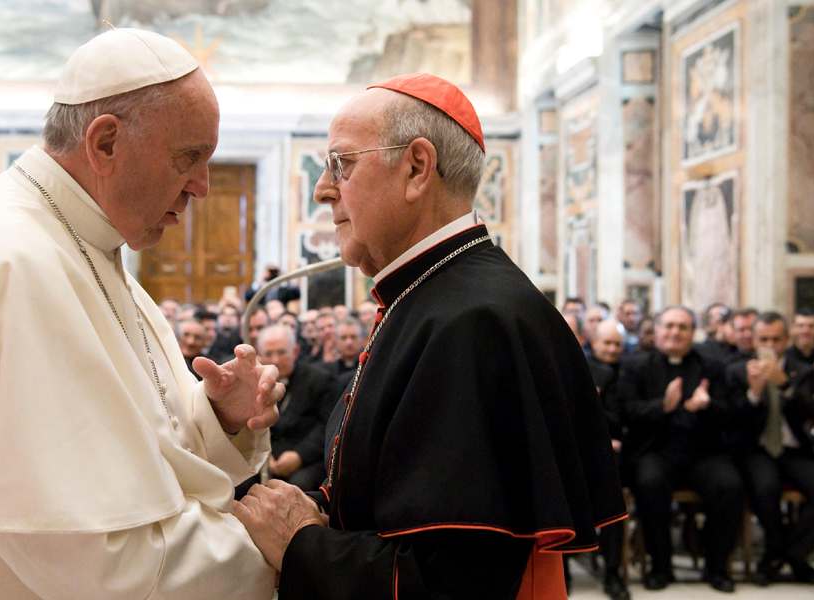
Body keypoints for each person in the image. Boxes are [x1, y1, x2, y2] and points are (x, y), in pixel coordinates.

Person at [0, 28, 283, 599]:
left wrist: (217, 420)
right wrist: (277, 548)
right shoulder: (13, 264)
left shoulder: (82, 245)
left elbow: (137, 456)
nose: (201, 186)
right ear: (104, 144)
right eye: (188, 158)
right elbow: (95, 563)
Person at [232, 73, 625, 599]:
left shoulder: (472, 322)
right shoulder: (430, 296)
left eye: (340, 164)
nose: (324, 190)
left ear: (416, 168)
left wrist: (302, 542)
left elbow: (452, 581)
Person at [618, 306, 743, 592]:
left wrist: (708, 405)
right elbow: (626, 411)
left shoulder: (711, 366)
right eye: (669, 326)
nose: (675, 332)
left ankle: (717, 568)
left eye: (683, 327)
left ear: (693, 333)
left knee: (730, 485)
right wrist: (663, 406)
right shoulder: (636, 365)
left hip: (703, 451)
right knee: (649, 483)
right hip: (655, 450)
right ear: (657, 330)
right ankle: (661, 567)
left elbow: (731, 412)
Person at [725, 312, 814, 585]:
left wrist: (785, 385)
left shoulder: (803, 370)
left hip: (795, 448)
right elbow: (732, 423)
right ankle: (774, 552)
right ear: (753, 340)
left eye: (776, 339)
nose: (770, 345)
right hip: (757, 449)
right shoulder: (736, 370)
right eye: (763, 339)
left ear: (787, 340)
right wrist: (753, 394)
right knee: (765, 489)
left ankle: (791, 553)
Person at [256, 325, 337, 492]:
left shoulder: (320, 380)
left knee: (297, 487)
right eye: (269, 354)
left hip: (307, 458)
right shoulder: (253, 383)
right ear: (259, 355)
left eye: (281, 352)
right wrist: (263, 454)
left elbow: (327, 426)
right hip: (263, 456)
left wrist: (299, 455)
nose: (276, 360)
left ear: (295, 351)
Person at [584, 319, 631, 600]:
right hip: (584, 450)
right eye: (607, 343)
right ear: (593, 342)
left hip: (619, 453)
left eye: (617, 345)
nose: (612, 350)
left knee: (616, 500)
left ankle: (612, 571)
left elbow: (625, 417)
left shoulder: (629, 370)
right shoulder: (581, 367)